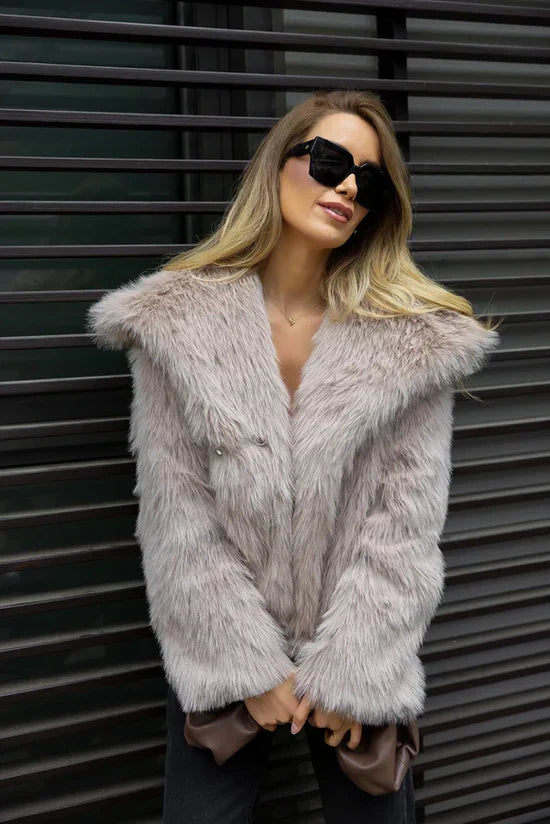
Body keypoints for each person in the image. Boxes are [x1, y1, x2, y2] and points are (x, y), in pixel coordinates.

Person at [86, 89, 501, 823]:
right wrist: (249, 671)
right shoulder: (176, 326)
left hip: (356, 666)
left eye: (369, 180)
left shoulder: (410, 344)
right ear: (279, 163)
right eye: (331, 161)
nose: (348, 187)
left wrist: (350, 673)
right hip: (223, 660)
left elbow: (403, 527)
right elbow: (178, 517)